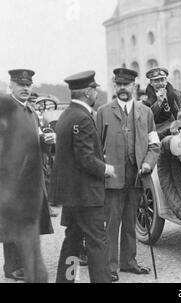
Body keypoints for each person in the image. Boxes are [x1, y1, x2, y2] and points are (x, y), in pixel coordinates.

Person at [96, 68, 161, 282]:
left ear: (134, 86)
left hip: (136, 176)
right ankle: (110, 266)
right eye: (119, 84)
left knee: (130, 220)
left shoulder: (146, 112)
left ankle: (129, 262)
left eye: (127, 84)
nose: (123, 88)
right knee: (112, 223)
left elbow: (154, 145)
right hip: (112, 178)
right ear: (115, 86)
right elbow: (95, 147)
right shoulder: (104, 112)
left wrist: (148, 164)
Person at [51, 71, 115, 283]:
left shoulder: (67, 115)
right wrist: (106, 168)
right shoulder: (83, 117)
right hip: (86, 195)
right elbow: (85, 158)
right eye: (94, 89)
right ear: (88, 92)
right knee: (98, 243)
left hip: (71, 195)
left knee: (73, 242)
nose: (96, 93)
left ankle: (66, 280)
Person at [2, 69, 54, 282]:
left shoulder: (31, 112)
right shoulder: (6, 112)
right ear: (11, 86)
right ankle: (12, 267)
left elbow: (34, 142)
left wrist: (46, 142)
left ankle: (24, 264)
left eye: (28, 85)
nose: (25, 88)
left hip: (33, 177)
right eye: (20, 84)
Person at [143, 67, 181, 139]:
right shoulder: (145, 100)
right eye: (156, 81)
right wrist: (158, 103)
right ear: (151, 83)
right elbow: (147, 118)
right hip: (159, 136)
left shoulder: (178, 94)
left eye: (162, 80)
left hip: (180, 133)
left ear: (166, 81)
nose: (160, 84)